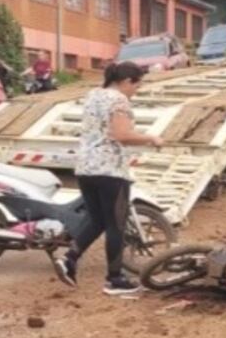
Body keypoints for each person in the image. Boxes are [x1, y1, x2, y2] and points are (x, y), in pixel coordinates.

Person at [53, 61, 162, 296]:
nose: (136, 91)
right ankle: (115, 279)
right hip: (110, 170)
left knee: (98, 220)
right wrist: (150, 138)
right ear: (125, 82)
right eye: (136, 85)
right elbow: (120, 134)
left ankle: (69, 259)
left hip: (86, 168)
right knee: (116, 225)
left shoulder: (94, 95)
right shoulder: (118, 100)